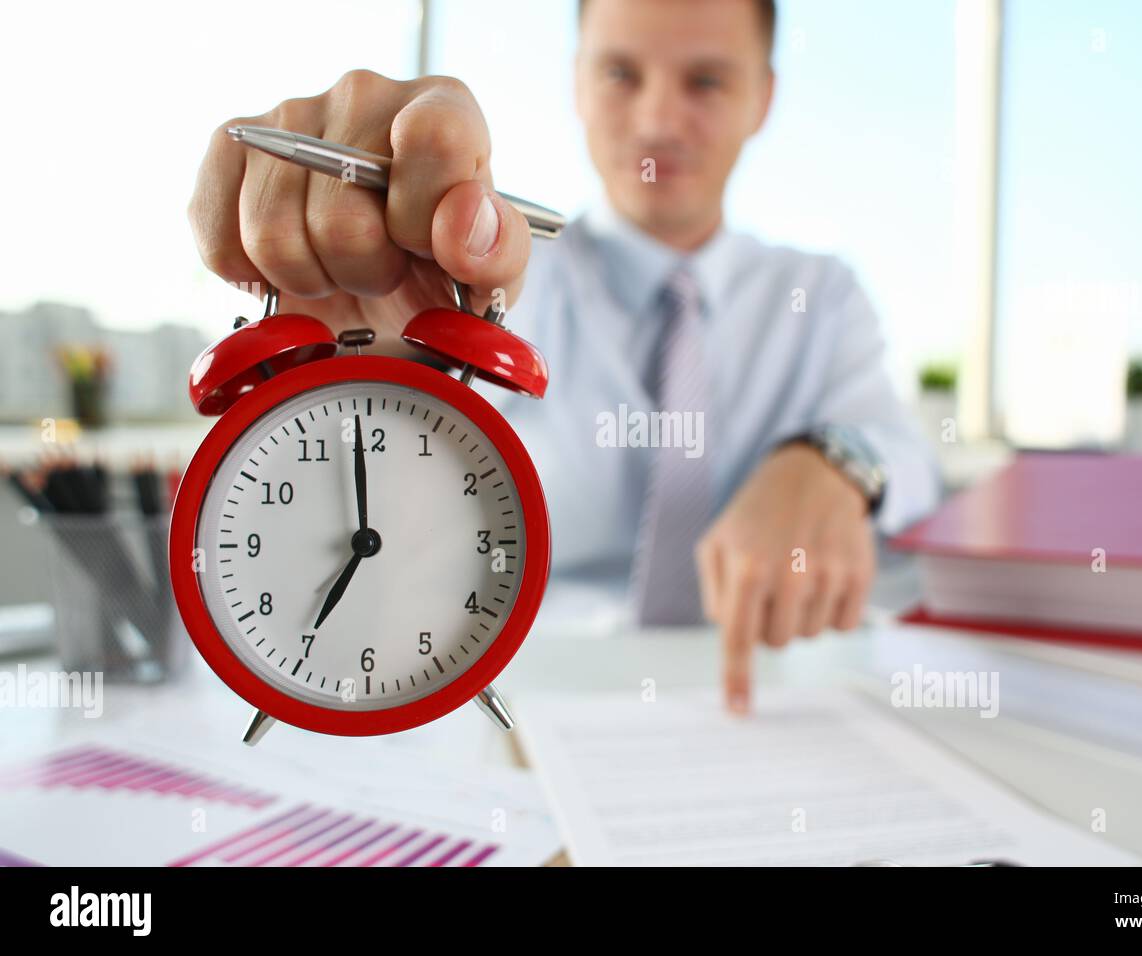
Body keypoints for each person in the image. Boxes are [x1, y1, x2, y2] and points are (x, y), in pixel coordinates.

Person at [187, 0, 940, 715]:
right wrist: (362, 365)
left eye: (705, 80)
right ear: (577, 80)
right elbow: (380, 510)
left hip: (766, 701)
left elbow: (909, 459)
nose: (656, 122)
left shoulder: (822, 297)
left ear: (764, 98)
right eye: (620, 74)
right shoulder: (475, 282)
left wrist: (834, 460)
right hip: (519, 706)